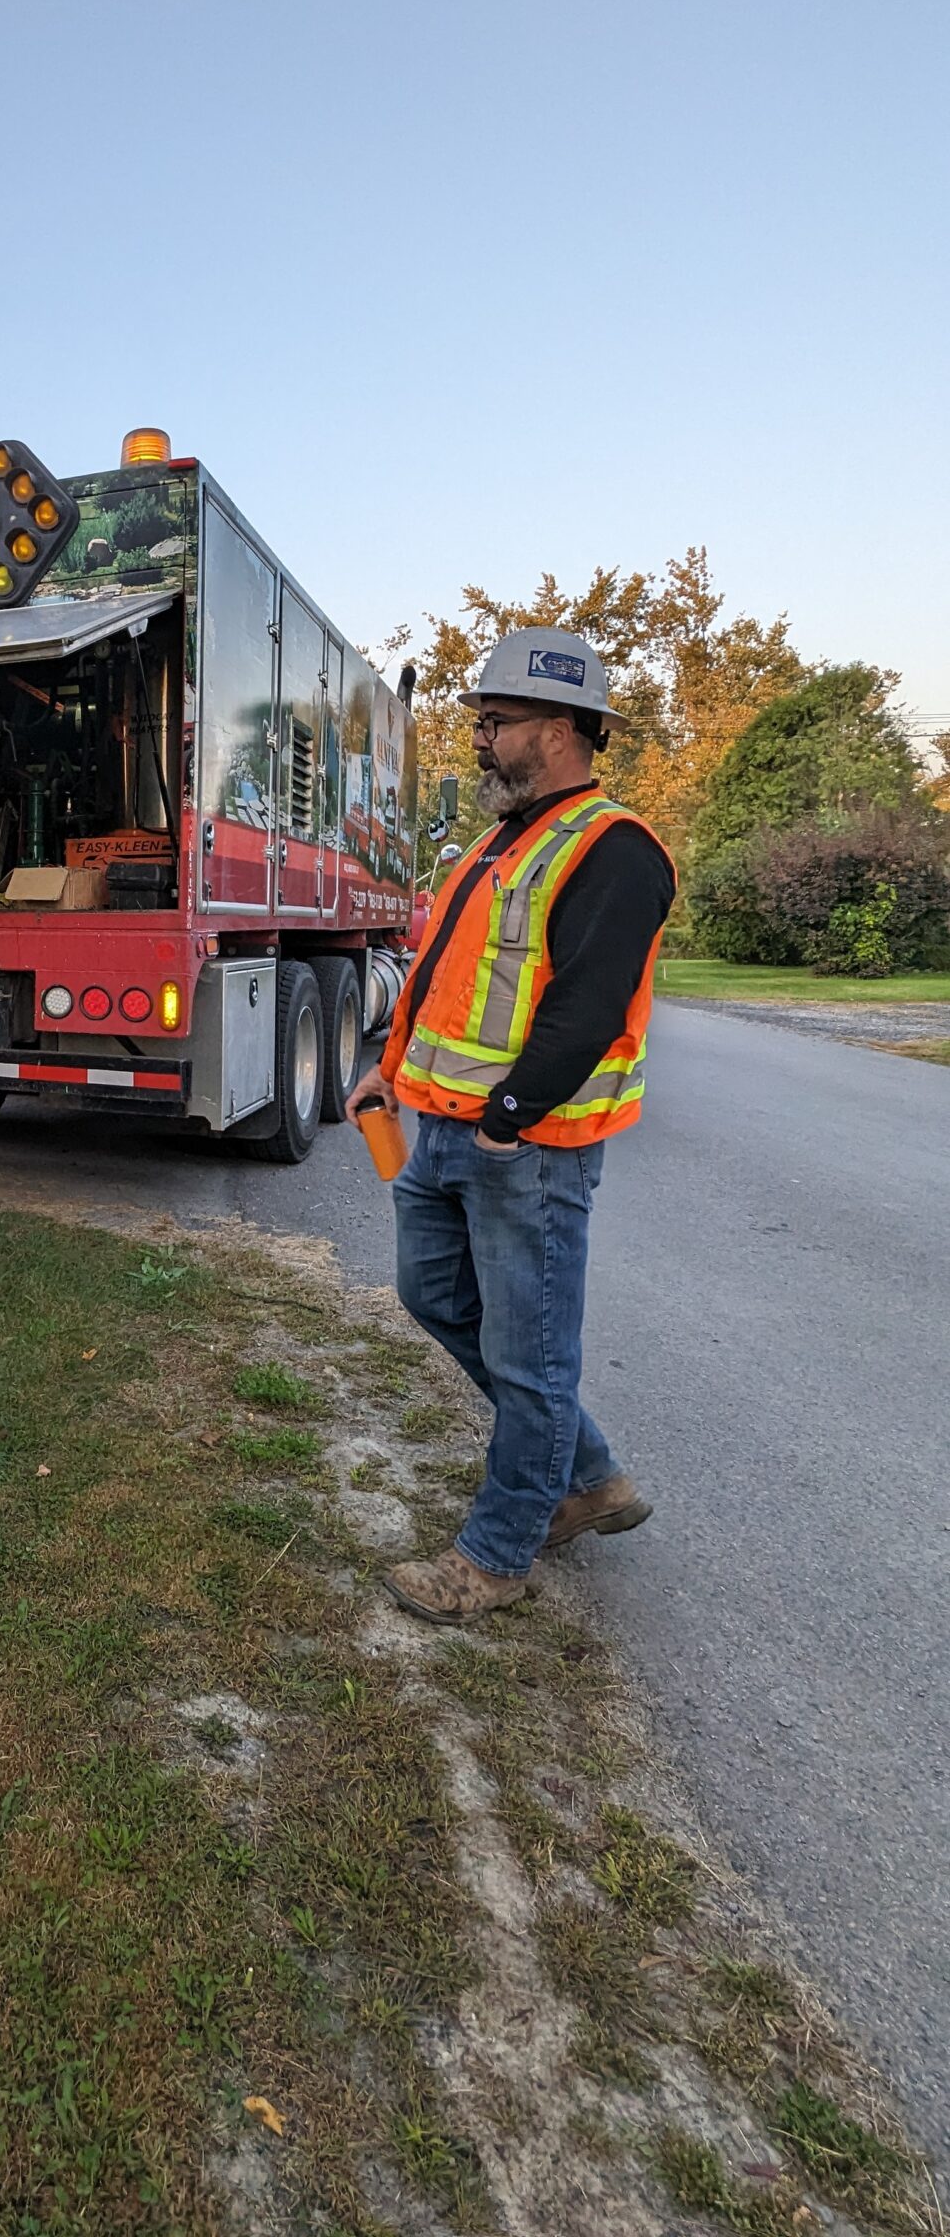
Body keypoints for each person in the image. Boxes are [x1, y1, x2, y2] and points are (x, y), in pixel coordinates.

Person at [345, 627, 676, 1628]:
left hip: (525, 1150)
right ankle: (589, 1474)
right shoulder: (505, 840)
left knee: (530, 1358)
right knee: (432, 1295)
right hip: (444, 1131)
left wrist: (509, 1117)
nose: (480, 738)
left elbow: (587, 1005)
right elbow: (445, 972)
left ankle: (496, 1556)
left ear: (561, 728)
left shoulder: (614, 849)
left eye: (495, 721)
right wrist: (390, 1066)